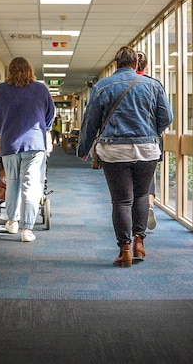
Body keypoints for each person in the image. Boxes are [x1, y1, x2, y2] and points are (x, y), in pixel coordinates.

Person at [77, 46, 172, 267]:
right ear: (136, 64)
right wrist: (149, 132)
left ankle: (125, 249)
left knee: (121, 201)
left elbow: (91, 120)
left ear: (116, 63)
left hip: (114, 151)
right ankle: (140, 241)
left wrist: (83, 149)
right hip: (147, 150)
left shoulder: (102, 86)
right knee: (140, 197)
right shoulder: (153, 85)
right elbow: (166, 117)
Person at [0, 57, 55, 242]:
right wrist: (44, 128)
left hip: (9, 143)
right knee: (31, 185)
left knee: (12, 182)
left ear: (10, 71)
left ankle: (12, 221)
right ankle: (27, 229)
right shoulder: (41, 88)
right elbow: (51, 113)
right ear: (29, 70)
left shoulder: (1, 90)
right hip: (35, 143)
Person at [135, 50, 159, 230]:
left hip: (123, 141)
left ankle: (134, 213)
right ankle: (149, 204)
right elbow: (165, 116)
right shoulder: (153, 85)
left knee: (128, 178)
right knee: (148, 176)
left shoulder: (118, 84)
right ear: (147, 66)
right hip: (150, 139)